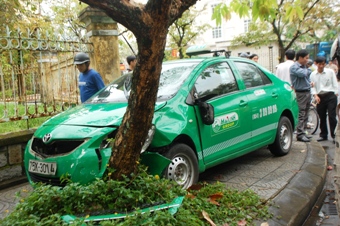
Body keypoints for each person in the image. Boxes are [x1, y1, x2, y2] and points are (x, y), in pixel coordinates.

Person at [310, 56, 338, 143]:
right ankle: (323, 135)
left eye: (323, 64)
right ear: (316, 64)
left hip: (330, 95)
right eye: (319, 64)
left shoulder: (330, 72)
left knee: (332, 115)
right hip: (320, 97)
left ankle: (334, 135)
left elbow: (335, 83)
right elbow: (312, 87)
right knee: (321, 116)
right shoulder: (313, 74)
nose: (321, 66)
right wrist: (315, 96)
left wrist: (336, 93)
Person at [290, 49, 312, 142]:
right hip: (300, 93)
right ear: (300, 57)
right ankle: (300, 134)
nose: (307, 60)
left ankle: (304, 132)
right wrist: (309, 69)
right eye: (306, 58)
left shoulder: (304, 66)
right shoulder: (294, 67)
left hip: (307, 91)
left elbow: (307, 76)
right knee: (301, 114)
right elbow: (303, 74)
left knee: (306, 113)